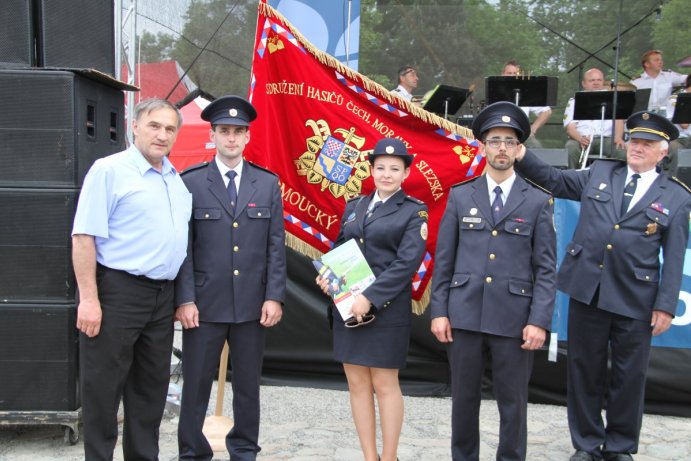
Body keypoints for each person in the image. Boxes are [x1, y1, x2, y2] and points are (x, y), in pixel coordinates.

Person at [514, 111, 691, 461]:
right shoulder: (600, 172)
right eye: (635, 141)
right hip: (588, 291)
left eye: (648, 144)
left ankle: (620, 446)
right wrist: (521, 154)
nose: (638, 148)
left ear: (663, 152)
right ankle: (587, 443)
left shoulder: (676, 195)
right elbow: (554, 180)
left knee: (629, 376)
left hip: (636, 299)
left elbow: (673, 257)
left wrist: (666, 304)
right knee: (584, 370)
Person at [429, 101, 557, 461]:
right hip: (464, 315)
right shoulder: (460, 195)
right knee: (463, 400)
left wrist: (538, 320)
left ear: (519, 150)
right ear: (483, 146)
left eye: (509, 141)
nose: (502, 148)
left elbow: (546, 269)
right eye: (495, 140)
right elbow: (445, 261)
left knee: (513, 403)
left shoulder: (537, 201)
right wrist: (439, 311)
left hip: (514, 320)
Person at [72, 98, 192, 461]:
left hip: (161, 298)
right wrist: (89, 299)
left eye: (170, 129)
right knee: (103, 391)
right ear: (135, 126)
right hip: (118, 294)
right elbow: (83, 237)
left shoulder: (176, 179)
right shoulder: (109, 171)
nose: (162, 135)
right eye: (154, 126)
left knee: (149, 393)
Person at [175, 95, 287, 461]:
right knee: (195, 385)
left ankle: (244, 451)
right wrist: (185, 299)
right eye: (224, 131)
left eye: (239, 132)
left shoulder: (266, 184)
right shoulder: (190, 182)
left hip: (252, 304)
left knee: (248, 388)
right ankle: (193, 452)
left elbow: (275, 246)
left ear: (248, 137)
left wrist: (274, 296)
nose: (232, 138)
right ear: (213, 135)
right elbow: (184, 248)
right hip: (204, 305)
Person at [315, 138, 427, 461]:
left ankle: (389, 457)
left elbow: (406, 263)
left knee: (384, 383)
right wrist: (327, 275)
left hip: (386, 311)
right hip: (348, 308)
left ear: (406, 172)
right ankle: (369, 456)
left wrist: (371, 297)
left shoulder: (413, 211)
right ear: (371, 170)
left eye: (395, 168)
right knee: (356, 382)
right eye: (380, 167)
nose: (387, 174)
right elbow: (339, 249)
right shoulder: (355, 206)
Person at [564, 68, 626, 169]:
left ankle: (617, 182)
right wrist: (580, 139)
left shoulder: (612, 98)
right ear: (584, 83)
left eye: (599, 80)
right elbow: (570, 127)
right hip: (581, 138)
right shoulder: (575, 101)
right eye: (592, 80)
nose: (596, 83)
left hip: (606, 139)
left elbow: (619, 120)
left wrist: (618, 137)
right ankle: (572, 180)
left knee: (621, 151)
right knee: (570, 148)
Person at [501, 60, 553, 148]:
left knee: (536, 148)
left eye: (515, 73)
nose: (512, 76)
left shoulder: (526, 92)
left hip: (522, 133)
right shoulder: (495, 91)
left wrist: (532, 130)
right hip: (500, 130)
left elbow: (547, 111)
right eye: (509, 73)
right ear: (502, 74)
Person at [631, 50, 687, 114]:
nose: (660, 62)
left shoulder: (669, 75)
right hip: (645, 116)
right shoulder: (636, 82)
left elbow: (687, 79)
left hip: (665, 115)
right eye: (656, 60)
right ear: (647, 64)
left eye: (661, 60)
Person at [664, 74, 691, 177]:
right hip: (677, 138)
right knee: (676, 151)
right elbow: (684, 124)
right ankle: (674, 182)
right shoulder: (676, 99)